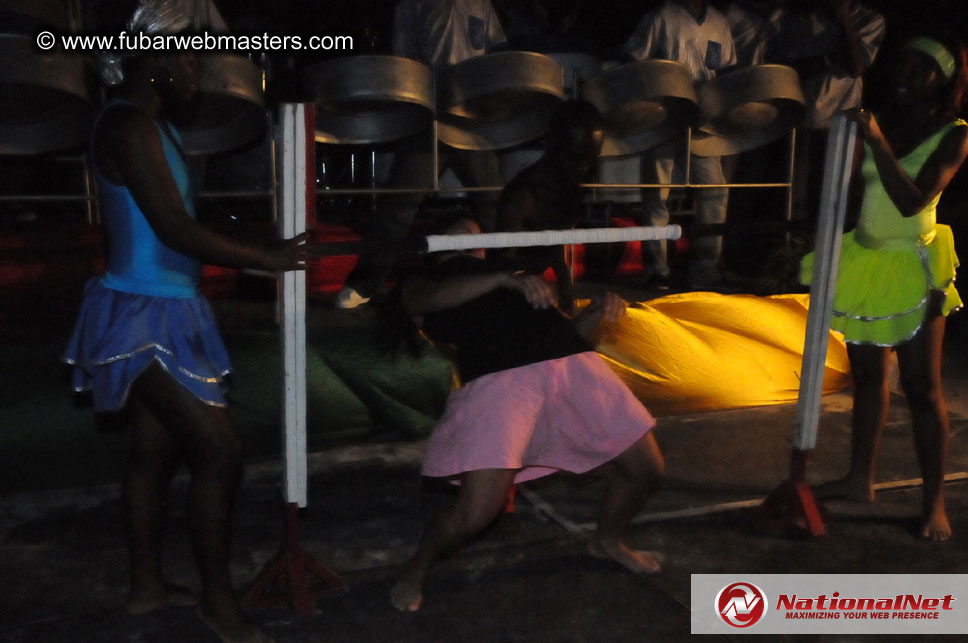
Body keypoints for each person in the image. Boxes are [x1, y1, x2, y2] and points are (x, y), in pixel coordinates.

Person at [62, 2, 309, 641]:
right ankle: (215, 602)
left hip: (166, 308)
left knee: (152, 451)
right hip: (139, 312)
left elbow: (174, 228)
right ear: (155, 54)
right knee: (219, 452)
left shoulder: (152, 124)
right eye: (193, 54)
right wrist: (269, 259)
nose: (199, 70)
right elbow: (173, 229)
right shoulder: (127, 125)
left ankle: (147, 588)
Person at [388, 217, 665, 612]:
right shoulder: (428, 280)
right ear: (434, 245)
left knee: (647, 469)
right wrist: (505, 278)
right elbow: (425, 301)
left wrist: (597, 312)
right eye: (458, 232)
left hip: (572, 365)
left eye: (478, 234)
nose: (471, 235)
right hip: (502, 381)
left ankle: (607, 540)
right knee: (476, 515)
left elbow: (563, 336)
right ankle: (415, 571)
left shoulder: (512, 278)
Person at [805, 35, 968, 541]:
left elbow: (912, 201)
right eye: (901, 65)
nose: (903, 75)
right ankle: (860, 479)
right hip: (867, 260)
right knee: (870, 379)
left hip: (914, 267)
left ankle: (933, 501)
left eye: (919, 69)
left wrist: (876, 142)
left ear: (941, 80)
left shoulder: (955, 134)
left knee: (921, 390)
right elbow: (857, 193)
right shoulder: (885, 122)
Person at [335, 0, 507, 309]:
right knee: (401, 202)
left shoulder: (481, 2)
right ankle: (364, 284)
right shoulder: (411, 4)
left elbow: (497, 53)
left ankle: (508, 277)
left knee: (493, 202)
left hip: (471, 118)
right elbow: (404, 62)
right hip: (432, 117)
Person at [624, 0, 737, 290]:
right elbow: (635, 59)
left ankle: (706, 269)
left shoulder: (719, 21)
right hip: (664, 117)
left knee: (714, 192)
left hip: (703, 121)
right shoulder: (662, 16)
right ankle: (657, 269)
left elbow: (725, 70)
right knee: (656, 194)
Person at [492, 99, 605, 314]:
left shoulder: (568, 187)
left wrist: (567, 298)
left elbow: (554, 246)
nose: (584, 167)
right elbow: (502, 261)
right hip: (515, 293)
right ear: (558, 148)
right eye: (577, 158)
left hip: (536, 289)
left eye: (590, 159)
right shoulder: (525, 195)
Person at [779, 0, 885, 223]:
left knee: (834, 194)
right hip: (805, 118)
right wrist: (831, 59)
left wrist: (844, 18)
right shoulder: (806, 19)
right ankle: (796, 249)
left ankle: (828, 250)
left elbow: (856, 66)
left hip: (843, 120)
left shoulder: (871, 20)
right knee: (798, 194)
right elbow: (790, 67)